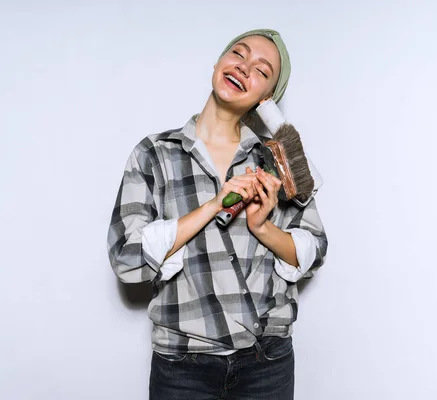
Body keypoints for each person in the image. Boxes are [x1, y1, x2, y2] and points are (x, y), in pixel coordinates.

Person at [107, 28, 328, 400]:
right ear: (218, 63)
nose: (243, 68)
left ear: (266, 99)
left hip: (267, 363)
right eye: (238, 54)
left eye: (261, 70)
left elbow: (315, 249)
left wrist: (261, 227)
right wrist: (213, 205)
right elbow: (127, 260)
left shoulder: (277, 162)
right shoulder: (156, 154)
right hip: (183, 368)